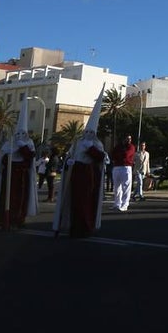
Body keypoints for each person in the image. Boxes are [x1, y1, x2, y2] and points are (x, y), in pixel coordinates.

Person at [53, 88, 107, 238]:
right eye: (86, 132)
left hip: (88, 175)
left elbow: (101, 158)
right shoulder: (77, 143)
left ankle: (85, 227)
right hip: (75, 173)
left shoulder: (96, 144)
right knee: (73, 201)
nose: (88, 135)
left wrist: (91, 150)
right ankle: (71, 226)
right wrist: (69, 161)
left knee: (85, 202)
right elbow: (70, 155)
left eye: (91, 133)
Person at [0, 98, 38, 229]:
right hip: (8, 175)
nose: (20, 136)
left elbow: (30, 158)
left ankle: (17, 219)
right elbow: (2, 158)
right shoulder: (9, 144)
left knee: (19, 199)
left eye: (22, 133)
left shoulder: (29, 144)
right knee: (3, 198)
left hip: (22, 177)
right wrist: (11, 153)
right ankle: (0, 218)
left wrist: (23, 148)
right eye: (18, 133)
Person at [111, 134, 135, 211]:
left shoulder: (131, 147)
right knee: (117, 187)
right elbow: (112, 154)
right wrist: (119, 155)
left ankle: (125, 204)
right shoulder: (118, 146)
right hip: (117, 167)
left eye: (130, 139)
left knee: (126, 186)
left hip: (126, 167)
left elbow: (126, 155)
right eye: (127, 138)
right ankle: (117, 204)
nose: (129, 140)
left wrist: (119, 155)